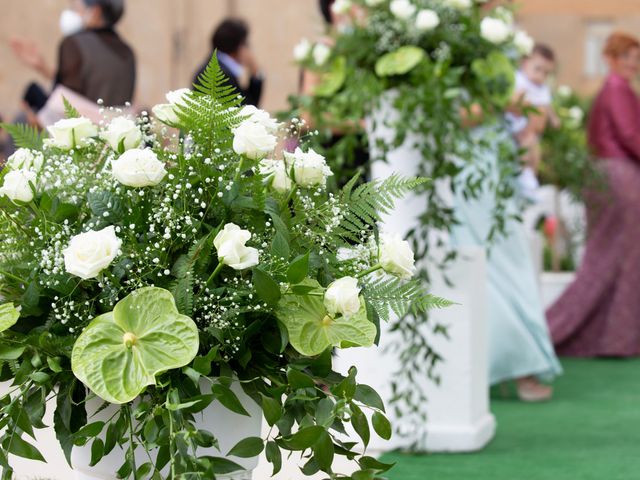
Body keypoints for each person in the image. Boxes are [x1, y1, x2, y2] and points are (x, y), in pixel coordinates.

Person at [546, 32, 640, 357]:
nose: (633, 64)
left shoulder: (613, 89)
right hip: (619, 175)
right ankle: (548, 333)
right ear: (611, 59)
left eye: (635, 58)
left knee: (619, 259)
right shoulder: (617, 88)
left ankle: (614, 340)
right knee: (611, 260)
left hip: (609, 174)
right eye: (626, 57)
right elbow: (630, 135)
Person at [10, 0, 135, 107]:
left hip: (80, 129)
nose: (71, 12)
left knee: (31, 93)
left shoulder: (75, 43)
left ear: (95, 12)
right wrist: (42, 67)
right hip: (112, 132)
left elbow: (65, 98)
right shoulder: (128, 52)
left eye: (75, 7)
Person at [507, 44, 559, 202]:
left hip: (531, 126)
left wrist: (554, 118)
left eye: (546, 73)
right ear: (524, 63)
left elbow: (547, 106)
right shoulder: (518, 79)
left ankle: (532, 177)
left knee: (535, 149)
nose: (540, 76)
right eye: (538, 69)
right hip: (517, 123)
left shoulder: (542, 88)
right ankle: (525, 177)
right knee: (526, 145)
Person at [193, 19, 264, 107]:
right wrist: (255, 71)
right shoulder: (222, 74)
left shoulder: (212, 67)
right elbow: (247, 112)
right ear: (240, 46)